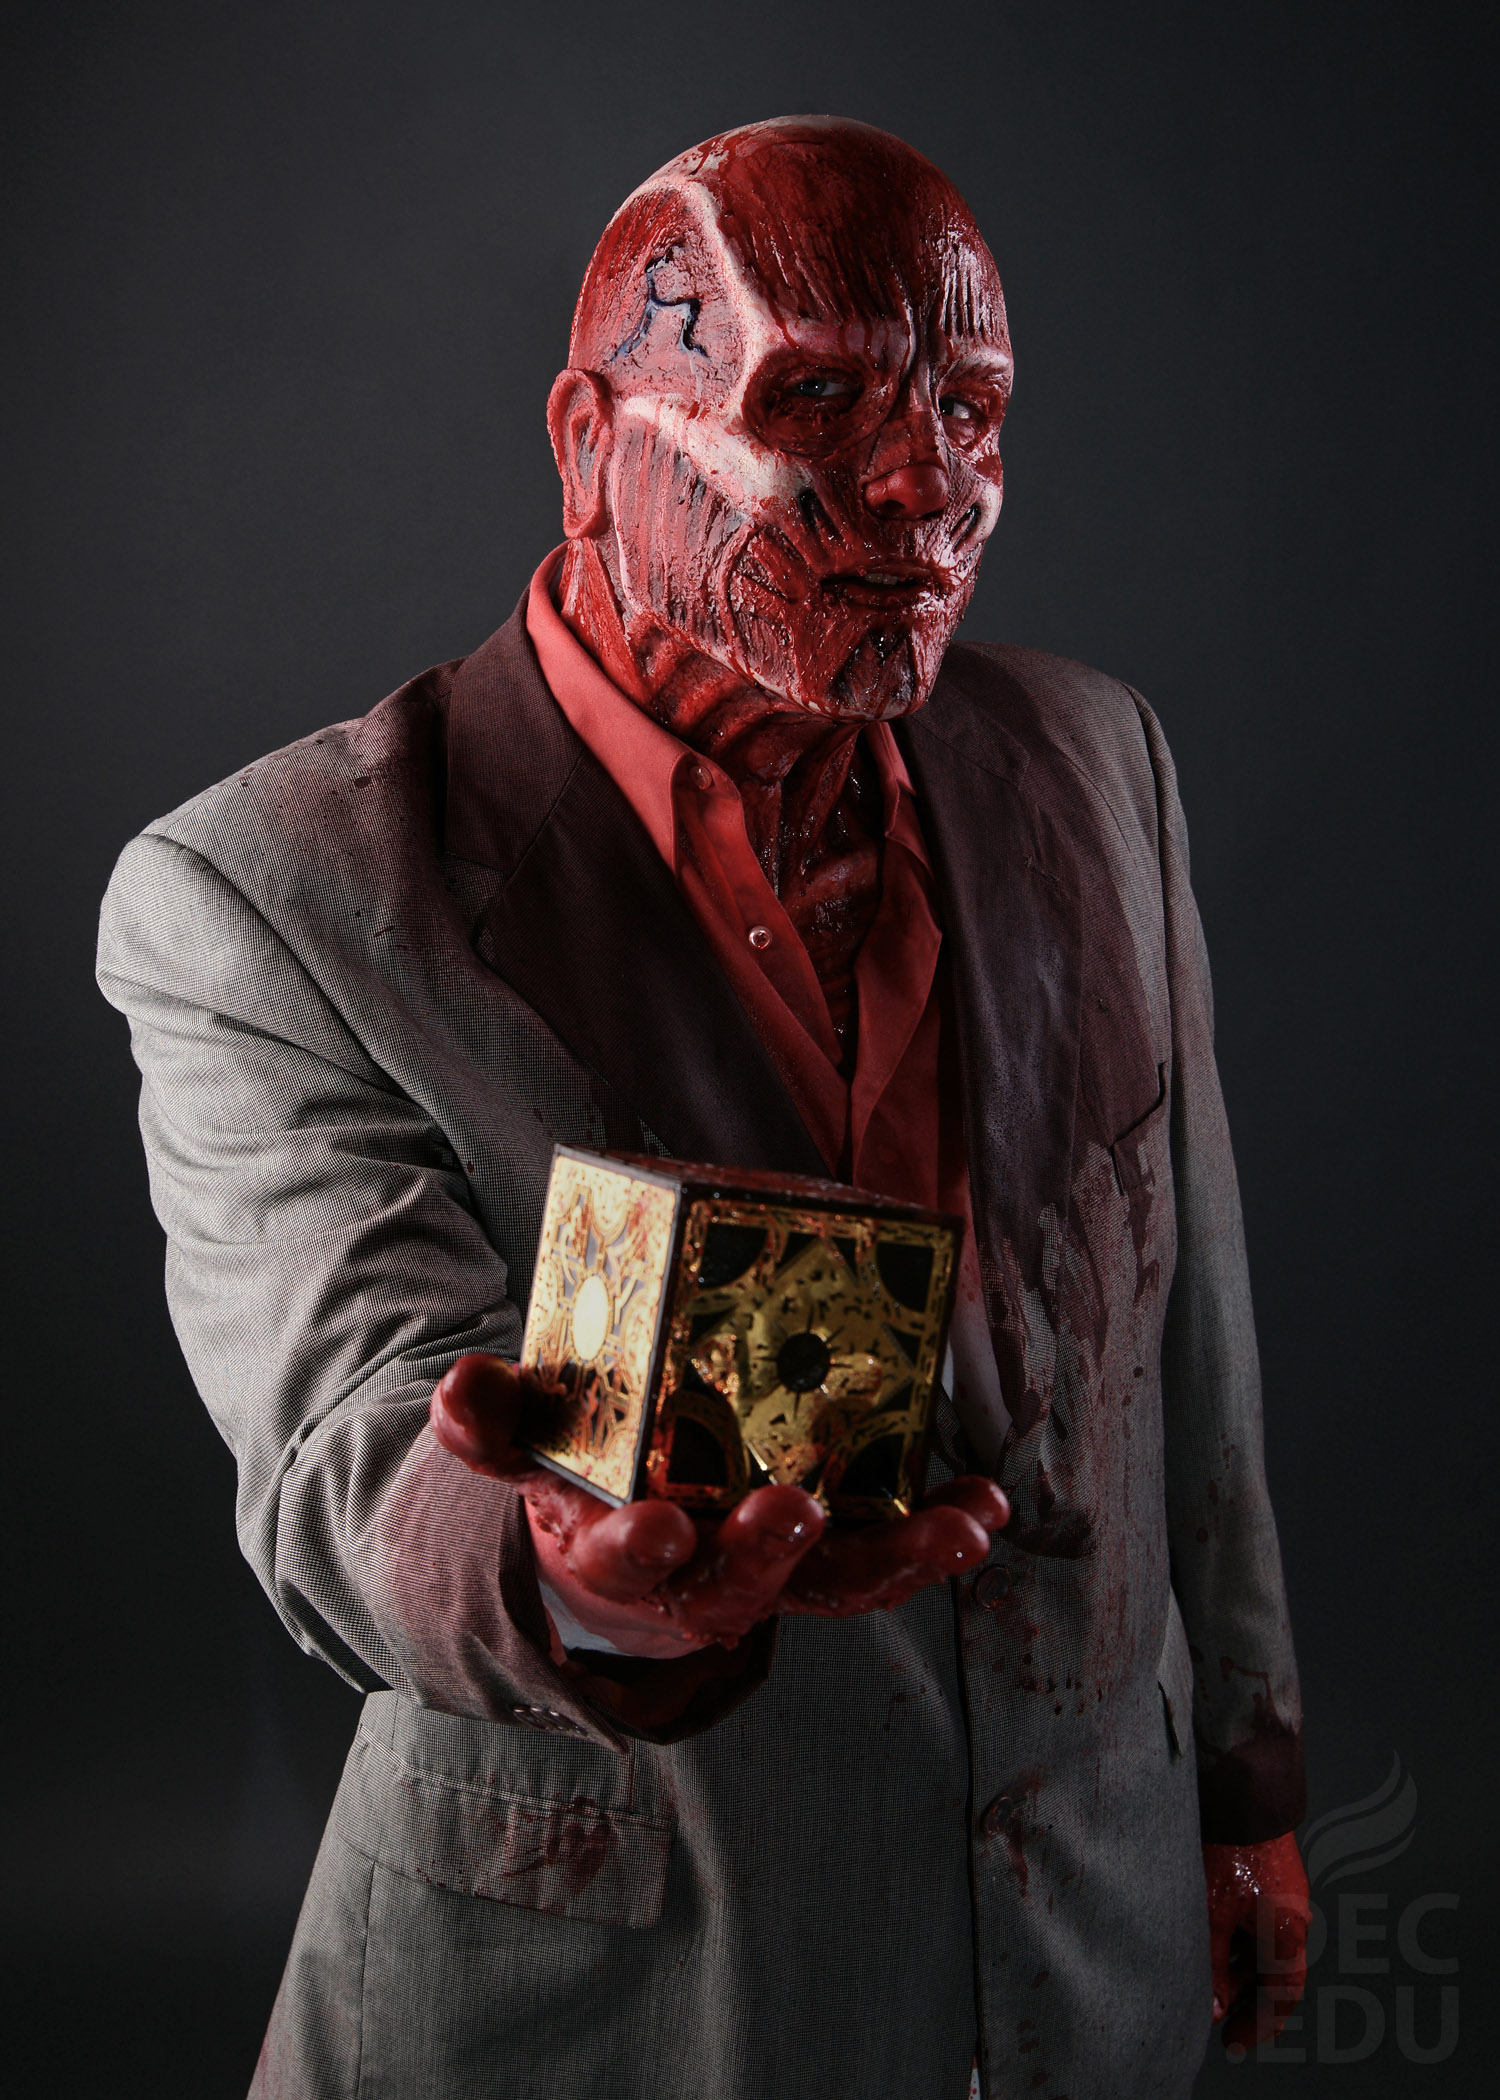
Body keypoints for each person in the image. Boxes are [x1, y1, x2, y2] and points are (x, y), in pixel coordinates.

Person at [98, 116, 1310, 2100]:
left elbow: (1198, 1346)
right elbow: (346, 1436)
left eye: (971, 409)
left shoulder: (1102, 761)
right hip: (622, 2000)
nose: (928, 481)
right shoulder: (277, 893)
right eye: (816, 400)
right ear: (592, 441)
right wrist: (561, 1574)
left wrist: (1247, 1784)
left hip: (1092, 1953)